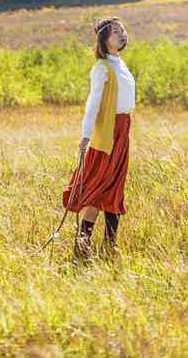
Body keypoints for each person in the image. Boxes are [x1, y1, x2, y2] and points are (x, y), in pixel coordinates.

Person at [61, 16, 135, 260]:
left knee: (115, 190)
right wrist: (84, 137)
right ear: (104, 39)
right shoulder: (102, 67)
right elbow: (92, 104)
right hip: (107, 135)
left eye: (122, 30)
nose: (121, 34)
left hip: (123, 131)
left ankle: (109, 246)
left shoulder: (119, 63)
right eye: (115, 31)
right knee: (99, 189)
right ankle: (82, 246)